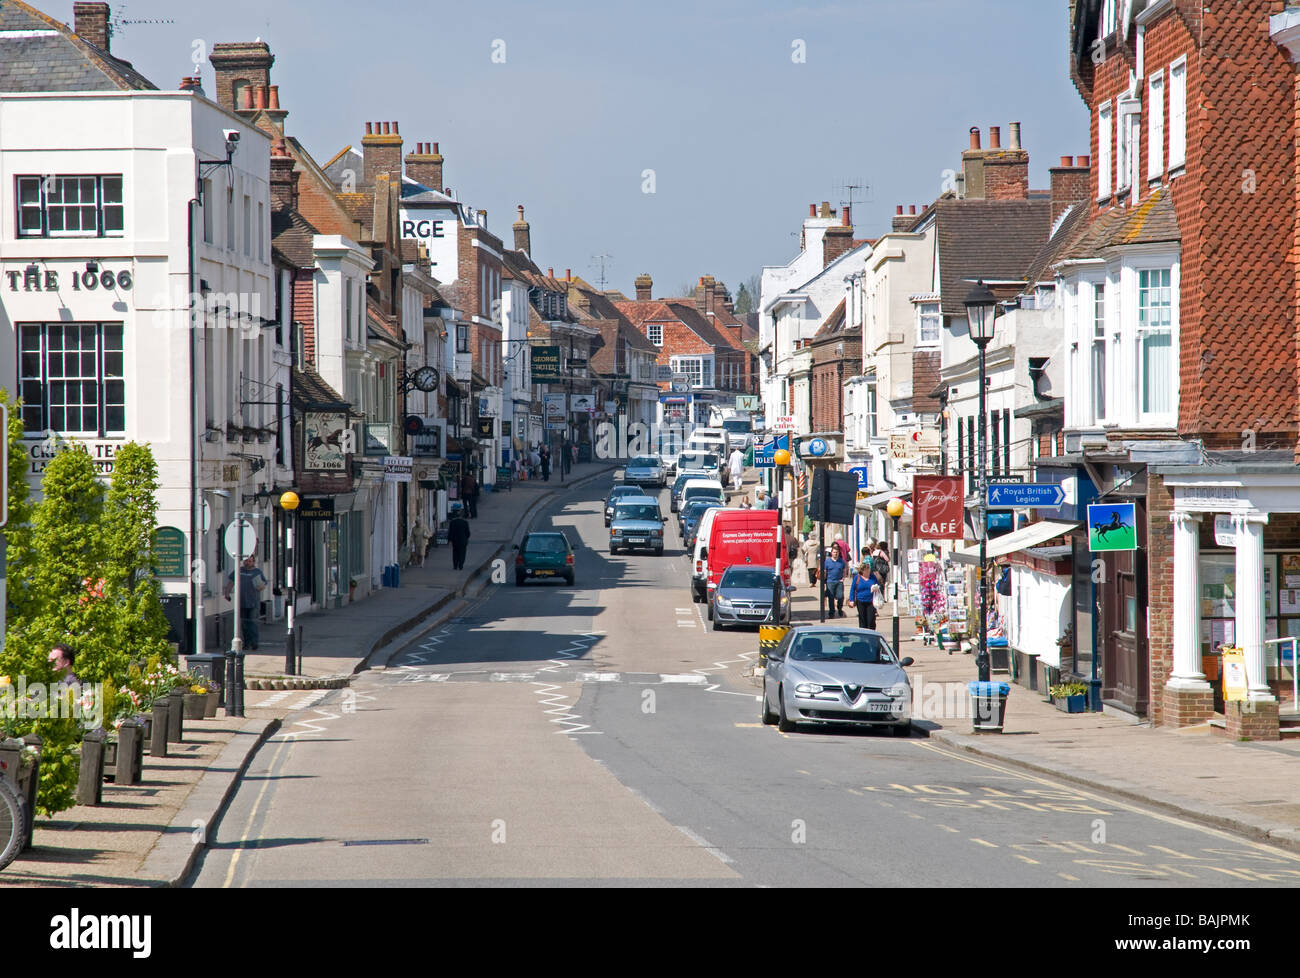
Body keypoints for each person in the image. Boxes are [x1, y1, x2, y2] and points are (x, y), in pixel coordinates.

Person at [224, 556, 268, 650]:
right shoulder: (239, 571)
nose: (248, 563)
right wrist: (227, 593)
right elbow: (231, 582)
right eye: (246, 561)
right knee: (244, 624)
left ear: (253, 562)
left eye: (250, 561)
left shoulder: (257, 572)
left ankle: (254, 643)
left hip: (253, 602)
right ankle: (246, 643)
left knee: (253, 623)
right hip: (241, 602)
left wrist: (260, 586)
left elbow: (264, 585)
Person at [846, 561, 882, 630]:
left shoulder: (872, 577)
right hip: (860, 601)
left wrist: (876, 588)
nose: (868, 571)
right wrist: (852, 600)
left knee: (871, 619)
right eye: (866, 570)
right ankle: (863, 634)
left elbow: (878, 585)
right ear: (862, 571)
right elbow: (853, 589)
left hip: (871, 601)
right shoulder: (857, 578)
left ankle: (871, 633)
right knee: (862, 619)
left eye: (869, 569)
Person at [823, 541, 848, 617]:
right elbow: (824, 571)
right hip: (830, 582)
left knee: (840, 596)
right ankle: (832, 612)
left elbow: (844, 570)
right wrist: (825, 580)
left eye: (836, 552)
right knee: (831, 598)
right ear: (831, 553)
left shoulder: (841, 561)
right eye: (834, 552)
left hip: (839, 581)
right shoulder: (827, 562)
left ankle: (840, 608)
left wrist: (843, 578)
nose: (835, 553)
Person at [447, 503, 472, 570]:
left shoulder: (452, 522)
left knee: (455, 553)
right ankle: (461, 565)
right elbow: (468, 533)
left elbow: (450, 532)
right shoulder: (465, 522)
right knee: (462, 553)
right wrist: (466, 538)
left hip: (455, 541)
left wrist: (449, 540)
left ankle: (455, 566)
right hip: (463, 541)